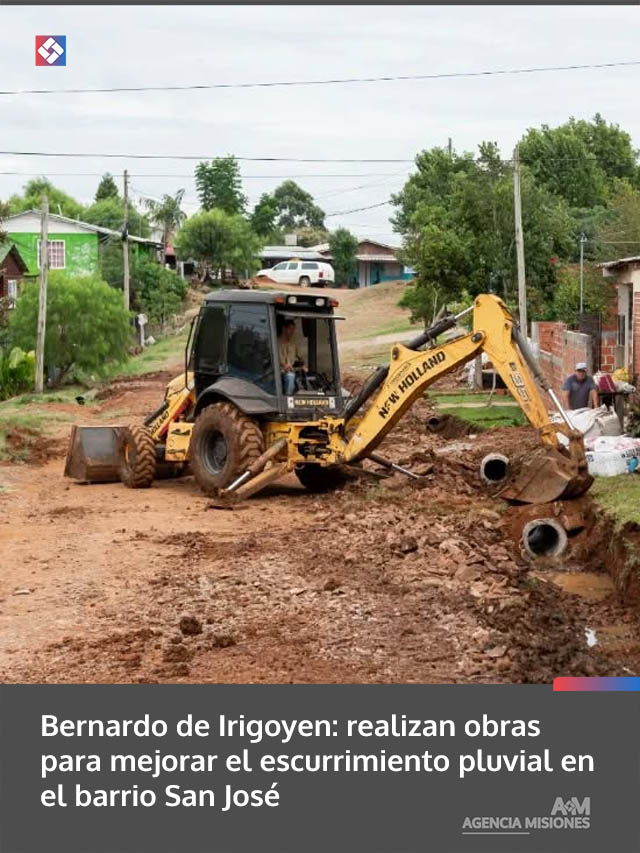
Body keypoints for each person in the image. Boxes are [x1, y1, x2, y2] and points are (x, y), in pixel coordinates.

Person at [278, 318, 306, 395]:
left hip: (291, 370)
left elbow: (301, 356)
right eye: (290, 329)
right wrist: (284, 365)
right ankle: (288, 398)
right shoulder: (276, 343)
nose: (292, 332)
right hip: (277, 371)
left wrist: (304, 365)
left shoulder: (293, 344)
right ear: (284, 329)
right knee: (290, 376)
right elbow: (277, 359)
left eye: (293, 329)